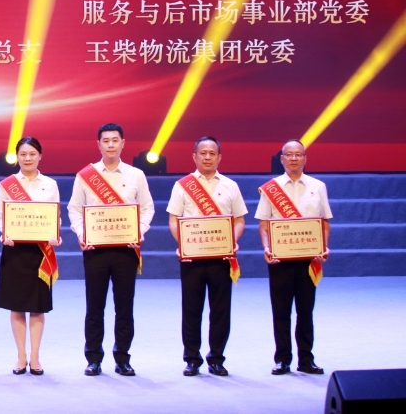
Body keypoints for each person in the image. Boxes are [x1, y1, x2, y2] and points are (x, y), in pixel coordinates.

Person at [67, 123, 154, 377]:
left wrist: (139, 231)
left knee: (124, 307)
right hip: (95, 250)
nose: (111, 145)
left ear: (123, 143)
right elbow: (74, 208)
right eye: (106, 141)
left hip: (126, 250)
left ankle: (123, 358)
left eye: (115, 140)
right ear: (99, 144)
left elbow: (147, 208)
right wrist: (82, 234)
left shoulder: (136, 175)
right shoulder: (86, 175)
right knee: (94, 307)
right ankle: (93, 358)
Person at [166, 136, 247, 376]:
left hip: (221, 258)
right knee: (191, 309)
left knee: (221, 310)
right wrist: (183, 243)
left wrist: (232, 241)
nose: (208, 157)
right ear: (195, 156)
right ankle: (192, 358)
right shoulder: (182, 185)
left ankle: (216, 358)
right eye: (203, 153)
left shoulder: (230, 186)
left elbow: (239, 220)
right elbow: (174, 219)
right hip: (192, 258)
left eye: (212, 153)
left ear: (219, 157)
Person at [256, 139, 332, 376]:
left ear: (305, 158)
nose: (294, 158)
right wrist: (267, 247)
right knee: (281, 312)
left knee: (305, 312)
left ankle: (306, 359)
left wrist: (324, 247)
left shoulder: (318, 186)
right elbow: (264, 225)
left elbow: (324, 223)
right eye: (289, 155)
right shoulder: (271, 188)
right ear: (282, 159)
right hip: (280, 260)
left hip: (308, 260)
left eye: (298, 154)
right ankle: (282, 359)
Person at [0, 137, 60, 376]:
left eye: (32, 153)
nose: (28, 158)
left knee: (37, 307)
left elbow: (55, 215)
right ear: (17, 157)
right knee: (17, 306)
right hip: (15, 251)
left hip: (40, 251)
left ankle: (35, 357)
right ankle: (21, 355)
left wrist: (55, 234)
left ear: (40, 156)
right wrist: (5, 233)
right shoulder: (7, 185)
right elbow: (0, 216)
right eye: (23, 154)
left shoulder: (50, 184)